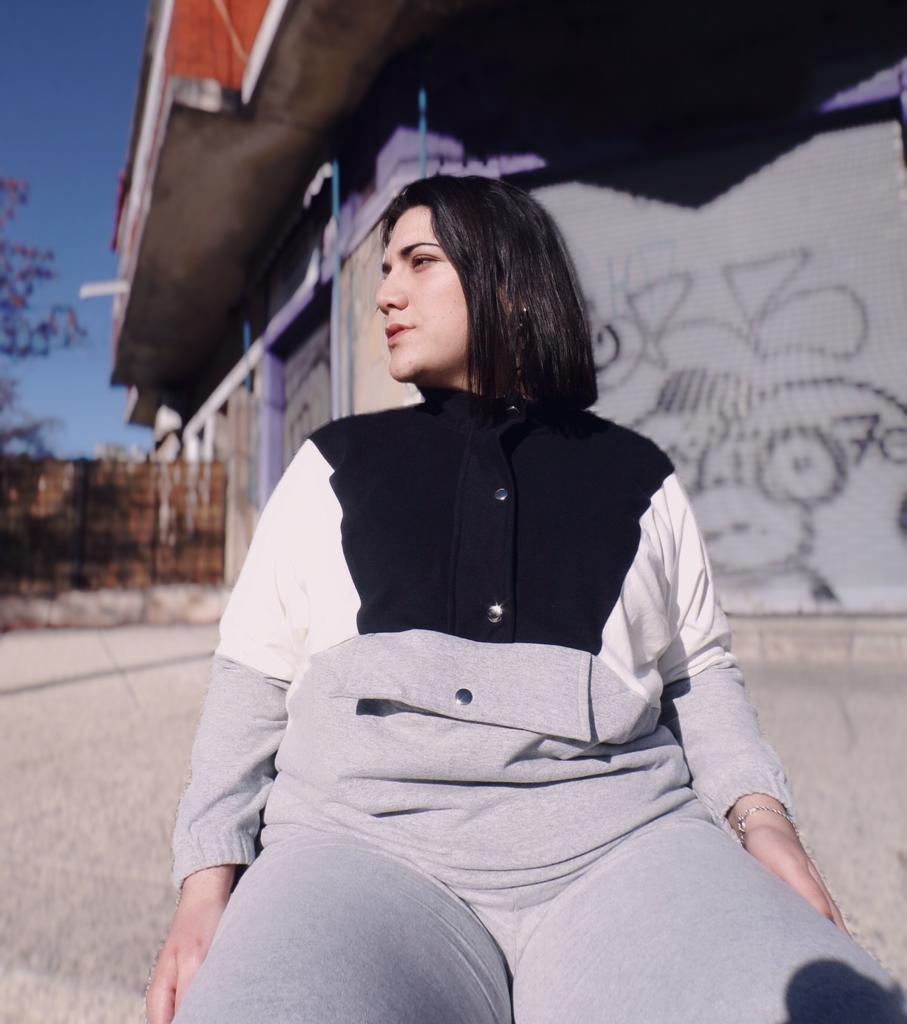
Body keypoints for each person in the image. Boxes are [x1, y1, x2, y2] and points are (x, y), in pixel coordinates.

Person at [146, 175, 905, 1024]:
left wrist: (763, 822)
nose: (386, 294)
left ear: (508, 283)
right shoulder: (333, 463)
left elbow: (697, 673)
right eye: (385, 271)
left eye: (418, 262)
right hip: (357, 850)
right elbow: (252, 680)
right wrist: (205, 881)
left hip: (620, 850)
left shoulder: (637, 474)